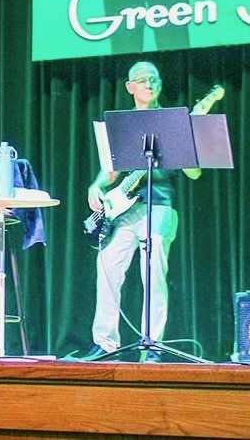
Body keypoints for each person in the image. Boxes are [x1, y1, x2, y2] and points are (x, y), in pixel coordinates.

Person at [82, 61, 200, 361]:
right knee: (107, 267)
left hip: (159, 205)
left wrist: (187, 145)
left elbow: (194, 173)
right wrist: (96, 186)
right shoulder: (122, 124)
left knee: (154, 274)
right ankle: (105, 344)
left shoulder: (171, 121)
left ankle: (153, 345)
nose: (150, 84)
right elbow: (110, 171)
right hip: (125, 210)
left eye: (154, 79)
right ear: (130, 87)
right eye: (143, 79)